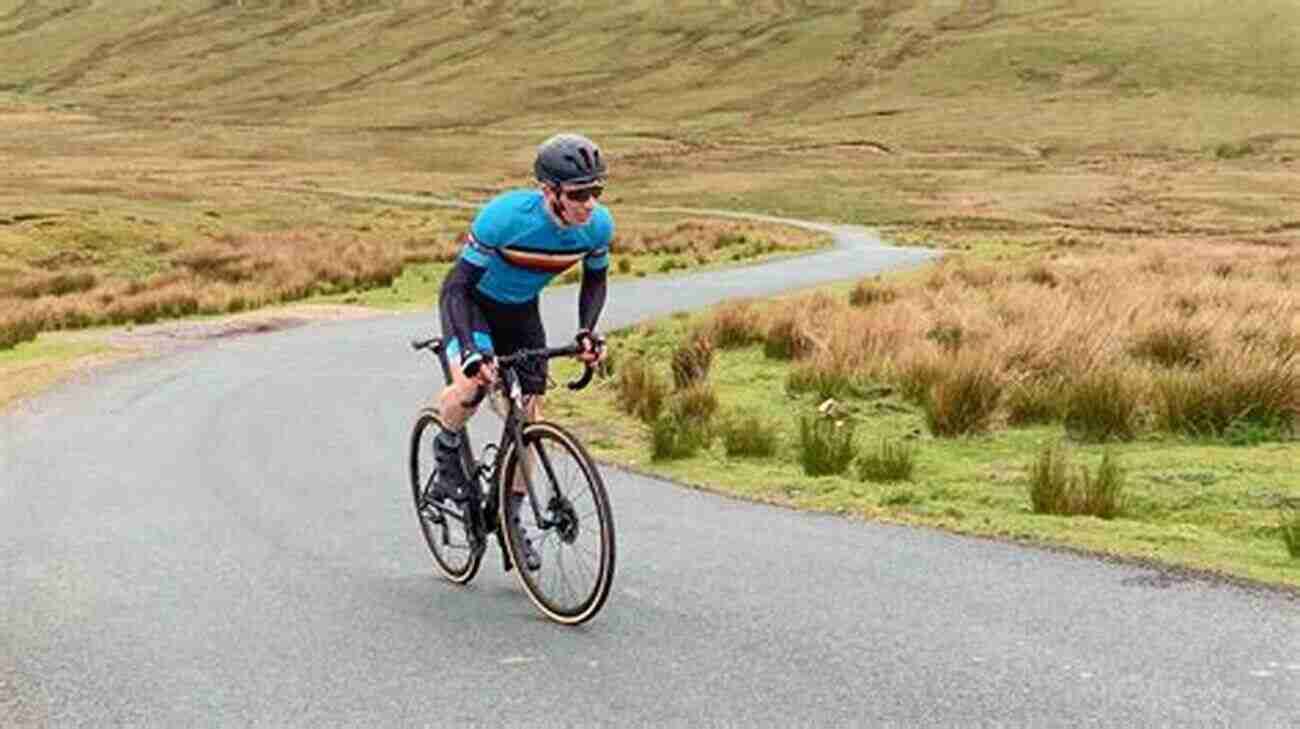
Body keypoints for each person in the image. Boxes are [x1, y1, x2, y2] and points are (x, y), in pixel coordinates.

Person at [429, 132, 612, 569]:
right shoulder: (505, 218)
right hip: (473, 306)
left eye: (597, 190)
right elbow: (457, 287)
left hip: (521, 313)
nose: (590, 203)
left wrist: (587, 331)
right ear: (549, 192)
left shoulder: (599, 225)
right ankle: (446, 445)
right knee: (472, 388)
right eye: (579, 193)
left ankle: (510, 520)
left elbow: (596, 279)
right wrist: (472, 350)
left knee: (530, 415)